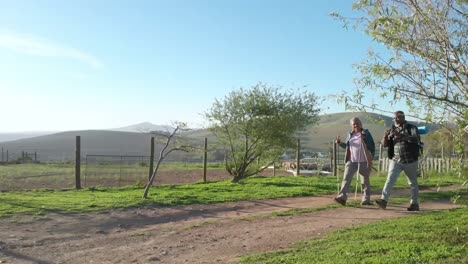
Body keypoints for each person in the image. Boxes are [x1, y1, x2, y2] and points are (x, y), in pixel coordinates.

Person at [375, 111, 421, 211]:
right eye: (394, 118)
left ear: (403, 117)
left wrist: (402, 136)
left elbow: (416, 139)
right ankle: (384, 200)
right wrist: (385, 136)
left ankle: (414, 204)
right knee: (390, 180)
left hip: (410, 159)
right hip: (396, 159)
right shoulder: (392, 129)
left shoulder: (411, 127)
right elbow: (385, 144)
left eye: (397, 117)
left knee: (412, 183)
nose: (395, 119)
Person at [334, 117, 375, 206]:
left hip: (364, 160)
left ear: (361, 124)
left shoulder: (366, 133)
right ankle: (342, 198)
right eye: (353, 124)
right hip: (351, 160)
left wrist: (364, 139)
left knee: (364, 180)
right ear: (351, 126)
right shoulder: (350, 134)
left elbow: (372, 145)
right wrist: (340, 143)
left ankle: (366, 200)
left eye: (357, 123)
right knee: (346, 179)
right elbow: (347, 147)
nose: (355, 125)